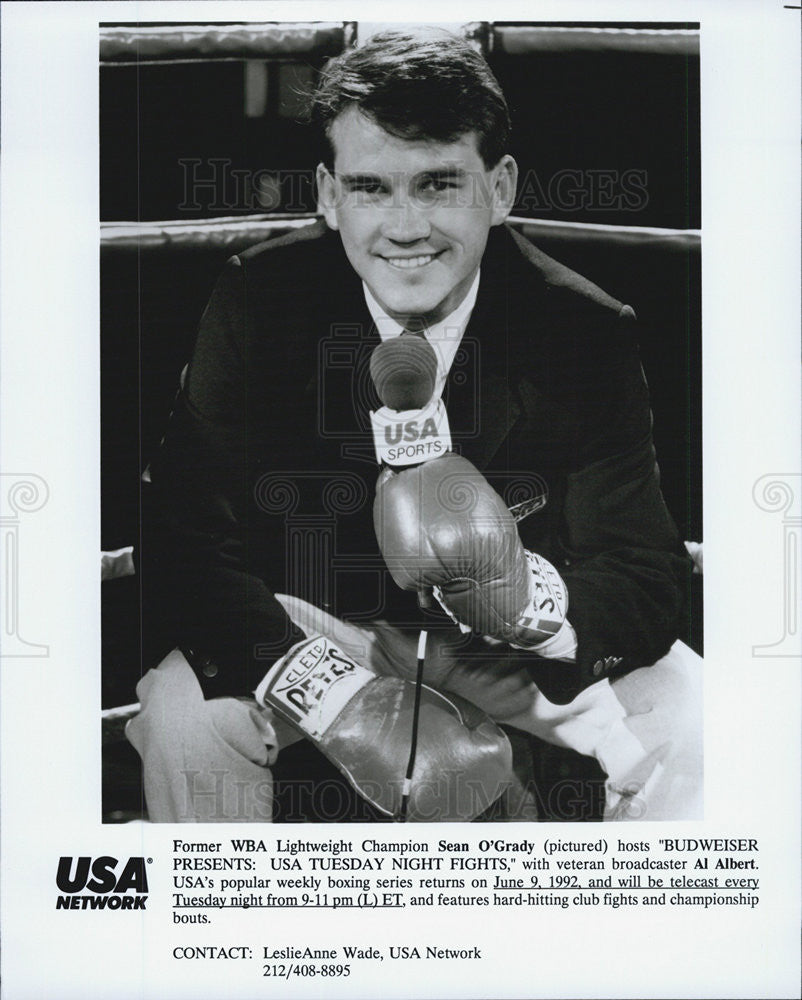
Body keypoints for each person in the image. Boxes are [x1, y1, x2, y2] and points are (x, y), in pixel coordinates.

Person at [128, 28, 701, 823]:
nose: (404, 228)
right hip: (324, 627)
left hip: (508, 651)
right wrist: (333, 697)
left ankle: (642, 945)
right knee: (184, 715)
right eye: (371, 188)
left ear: (498, 189)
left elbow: (646, 571)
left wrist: (529, 601)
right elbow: (182, 535)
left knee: (698, 720)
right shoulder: (262, 300)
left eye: (438, 185)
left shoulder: (580, 327)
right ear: (329, 194)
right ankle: (229, 937)